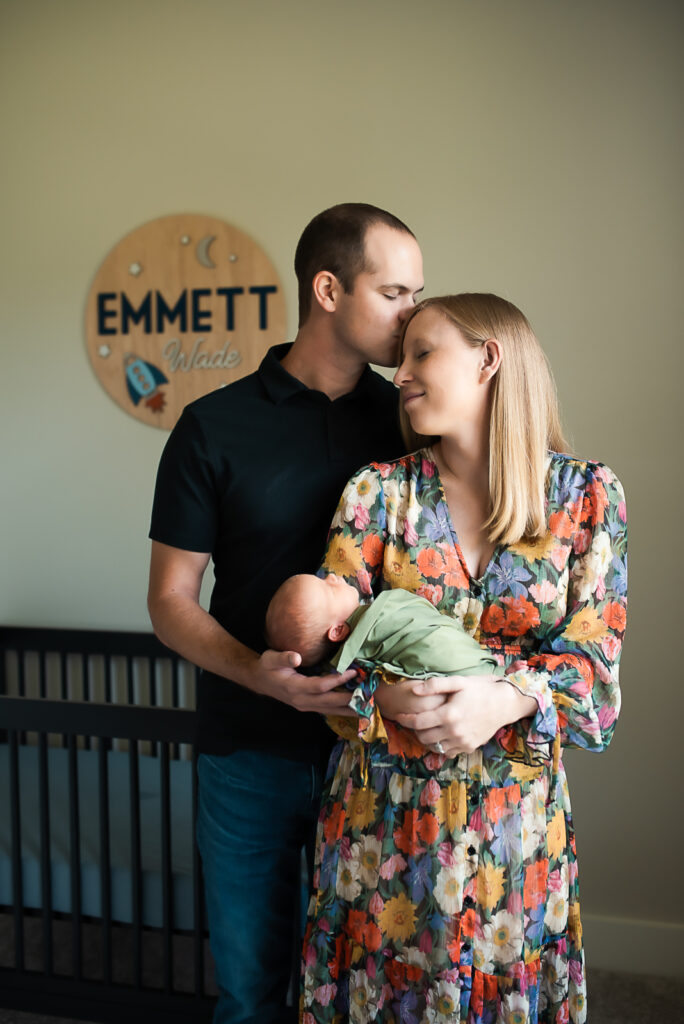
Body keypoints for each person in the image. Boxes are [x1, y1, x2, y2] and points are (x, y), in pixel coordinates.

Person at [300, 293, 627, 1023]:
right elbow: (321, 652)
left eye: (423, 352)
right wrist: (378, 697)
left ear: (489, 359)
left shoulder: (586, 499)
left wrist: (505, 698)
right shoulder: (377, 495)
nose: (401, 374)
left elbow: (596, 678)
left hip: (517, 832)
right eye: (402, 355)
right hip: (382, 821)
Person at [147, 203, 424, 1024]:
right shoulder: (212, 427)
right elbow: (168, 602)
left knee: (375, 991)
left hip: (381, 751)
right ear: (329, 289)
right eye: (396, 292)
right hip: (248, 752)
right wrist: (259, 679)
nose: (413, 315)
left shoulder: (413, 422)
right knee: (250, 992)